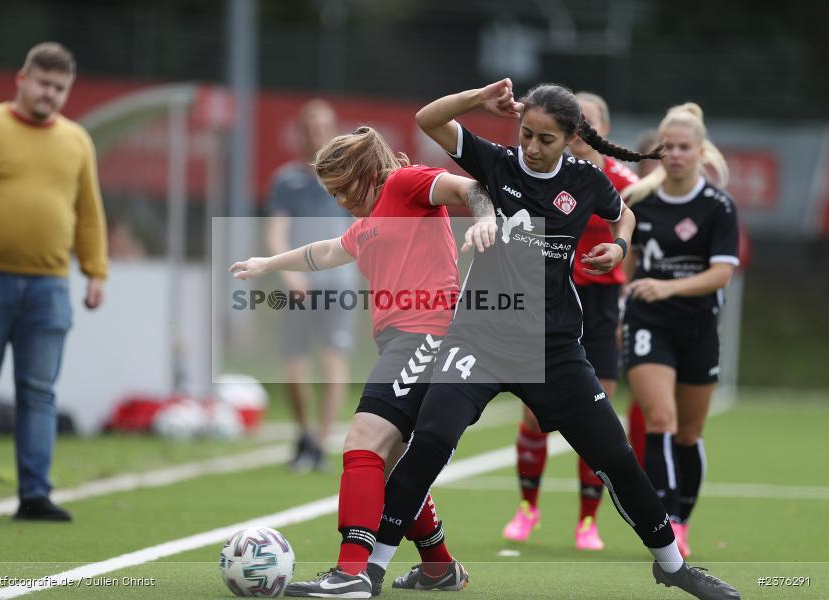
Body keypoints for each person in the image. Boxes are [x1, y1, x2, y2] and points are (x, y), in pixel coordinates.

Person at [367, 80, 740, 600]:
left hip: (554, 347)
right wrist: (478, 99)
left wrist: (619, 246)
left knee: (616, 457)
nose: (533, 148)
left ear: (570, 138)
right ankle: (373, 569)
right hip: (478, 339)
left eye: (546, 139)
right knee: (430, 440)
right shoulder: (496, 163)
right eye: (527, 135)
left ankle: (673, 566)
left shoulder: (587, 180)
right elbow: (429, 119)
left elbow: (622, 215)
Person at [231, 125, 496, 598]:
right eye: (330, 193)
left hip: (427, 335)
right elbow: (327, 251)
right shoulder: (368, 222)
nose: (337, 201)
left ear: (365, 173)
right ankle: (439, 567)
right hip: (401, 341)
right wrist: (269, 264)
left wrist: (484, 217)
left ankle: (352, 570)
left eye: (341, 189)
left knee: (363, 442)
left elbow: (470, 186)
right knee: (394, 463)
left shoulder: (404, 183)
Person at [0, 42, 108, 522]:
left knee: (39, 392)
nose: (49, 94)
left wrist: (95, 270)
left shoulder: (76, 141)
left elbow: (88, 211)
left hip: (49, 285)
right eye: (43, 83)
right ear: (21, 79)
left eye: (59, 88)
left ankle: (34, 495)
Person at [502, 91, 647, 551]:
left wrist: (621, 260)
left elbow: (631, 223)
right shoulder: (542, 171)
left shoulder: (617, 179)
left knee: (598, 417)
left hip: (600, 306)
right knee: (532, 414)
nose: (582, 132)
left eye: (591, 123)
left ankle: (588, 521)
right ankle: (528, 509)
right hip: (549, 305)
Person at [621, 103, 739, 560]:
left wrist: (668, 287)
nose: (673, 154)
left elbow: (721, 274)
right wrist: (624, 301)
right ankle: (666, 520)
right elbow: (628, 263)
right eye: (666, 146)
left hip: (697, 325)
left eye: (683, 147)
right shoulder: (639, 200)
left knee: (689, 433)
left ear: (701, 151)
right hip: (649, 323)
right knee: (660, 420)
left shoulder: (718, 207)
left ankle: (684, 517)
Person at [264, 100, 356, 471]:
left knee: (333, 359)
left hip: (337, 283)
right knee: (294, 363)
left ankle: (320, 443)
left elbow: (361, 228)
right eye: (310, 127)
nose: (317, 133)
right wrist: (288, 273)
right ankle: (302, 434)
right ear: (300, 132)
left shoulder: (346, 176)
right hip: (299, 284)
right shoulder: (285, 180)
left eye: (324, 126)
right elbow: (276, 232)